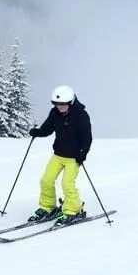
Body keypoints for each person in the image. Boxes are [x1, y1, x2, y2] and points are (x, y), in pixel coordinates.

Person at [27, 84, 93, 225]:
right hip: (58, 155)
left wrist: (83, 153)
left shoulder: (81, 115)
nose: (60, 107)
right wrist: (38, 132)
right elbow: (47, 129)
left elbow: (87, 137)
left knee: (67, 184)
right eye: (57, 104)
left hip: (73, 158)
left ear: (70, 102)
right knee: (46, 181)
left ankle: (74, 211)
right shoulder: (54, 113)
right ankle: (47, 207)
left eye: (63, 104)